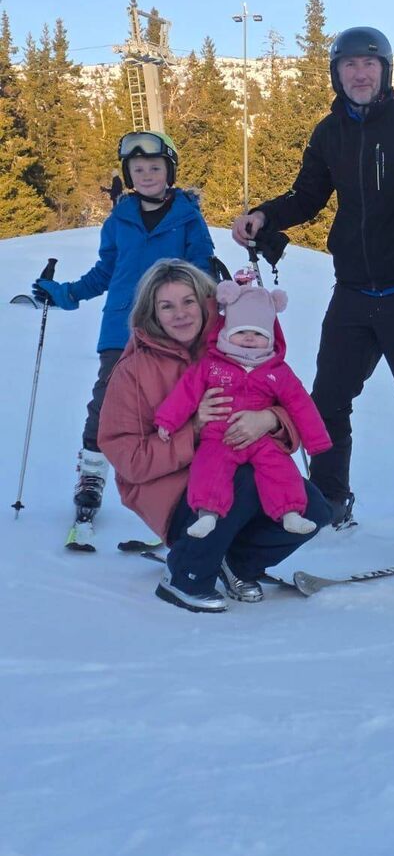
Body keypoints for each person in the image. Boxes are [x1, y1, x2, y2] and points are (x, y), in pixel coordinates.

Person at [231, 26, 394, 553]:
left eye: (370, 64)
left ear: (386, 70)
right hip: (352, 291)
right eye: (349, 65)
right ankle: (330, 497)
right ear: (337, 73)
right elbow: (307, 197)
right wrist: (263, 215)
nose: (360, 73)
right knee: (327, 401)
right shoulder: (329, 133)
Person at [98, 260, 332, 612]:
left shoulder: (236, 346)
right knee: (244, 479)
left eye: (188, 301)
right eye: (167, 306)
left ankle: (235, 564)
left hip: (241, 467)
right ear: (153, 312)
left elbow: (288, 402)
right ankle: (186, 575)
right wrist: (193, 430)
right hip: (173, 494)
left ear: (206, 303)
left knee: (313, 508)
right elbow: (129, 461)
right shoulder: (133, 371)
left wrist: (269, 419)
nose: (180, 314)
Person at [31, 131, 215, 540]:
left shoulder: (188, 217)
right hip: (122, 327)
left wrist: (220, 303)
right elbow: (106, 271)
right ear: (128, 175)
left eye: (154, 167)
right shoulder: (118, 220)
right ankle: (91, 478)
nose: (147, 175)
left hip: (175, 327)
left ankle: (180, 492)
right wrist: (67, 293)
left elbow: (201, 269)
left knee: (177, 406)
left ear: (169, 172)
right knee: (107, 404)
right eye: (138, 169)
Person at [155, 279, 331, 538]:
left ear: (271, 338)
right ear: (226, 332)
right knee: (209, 467)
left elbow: (300, 404)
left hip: (262, 439)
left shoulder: (277, 372)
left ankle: (289, 512)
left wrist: (316, 441)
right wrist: (167, 420)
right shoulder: (212, 365)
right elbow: (186, 393)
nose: (249, 338)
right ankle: (207, 514)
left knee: (280, 469)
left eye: (259, 334)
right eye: (241, 331)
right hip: (219, 435)